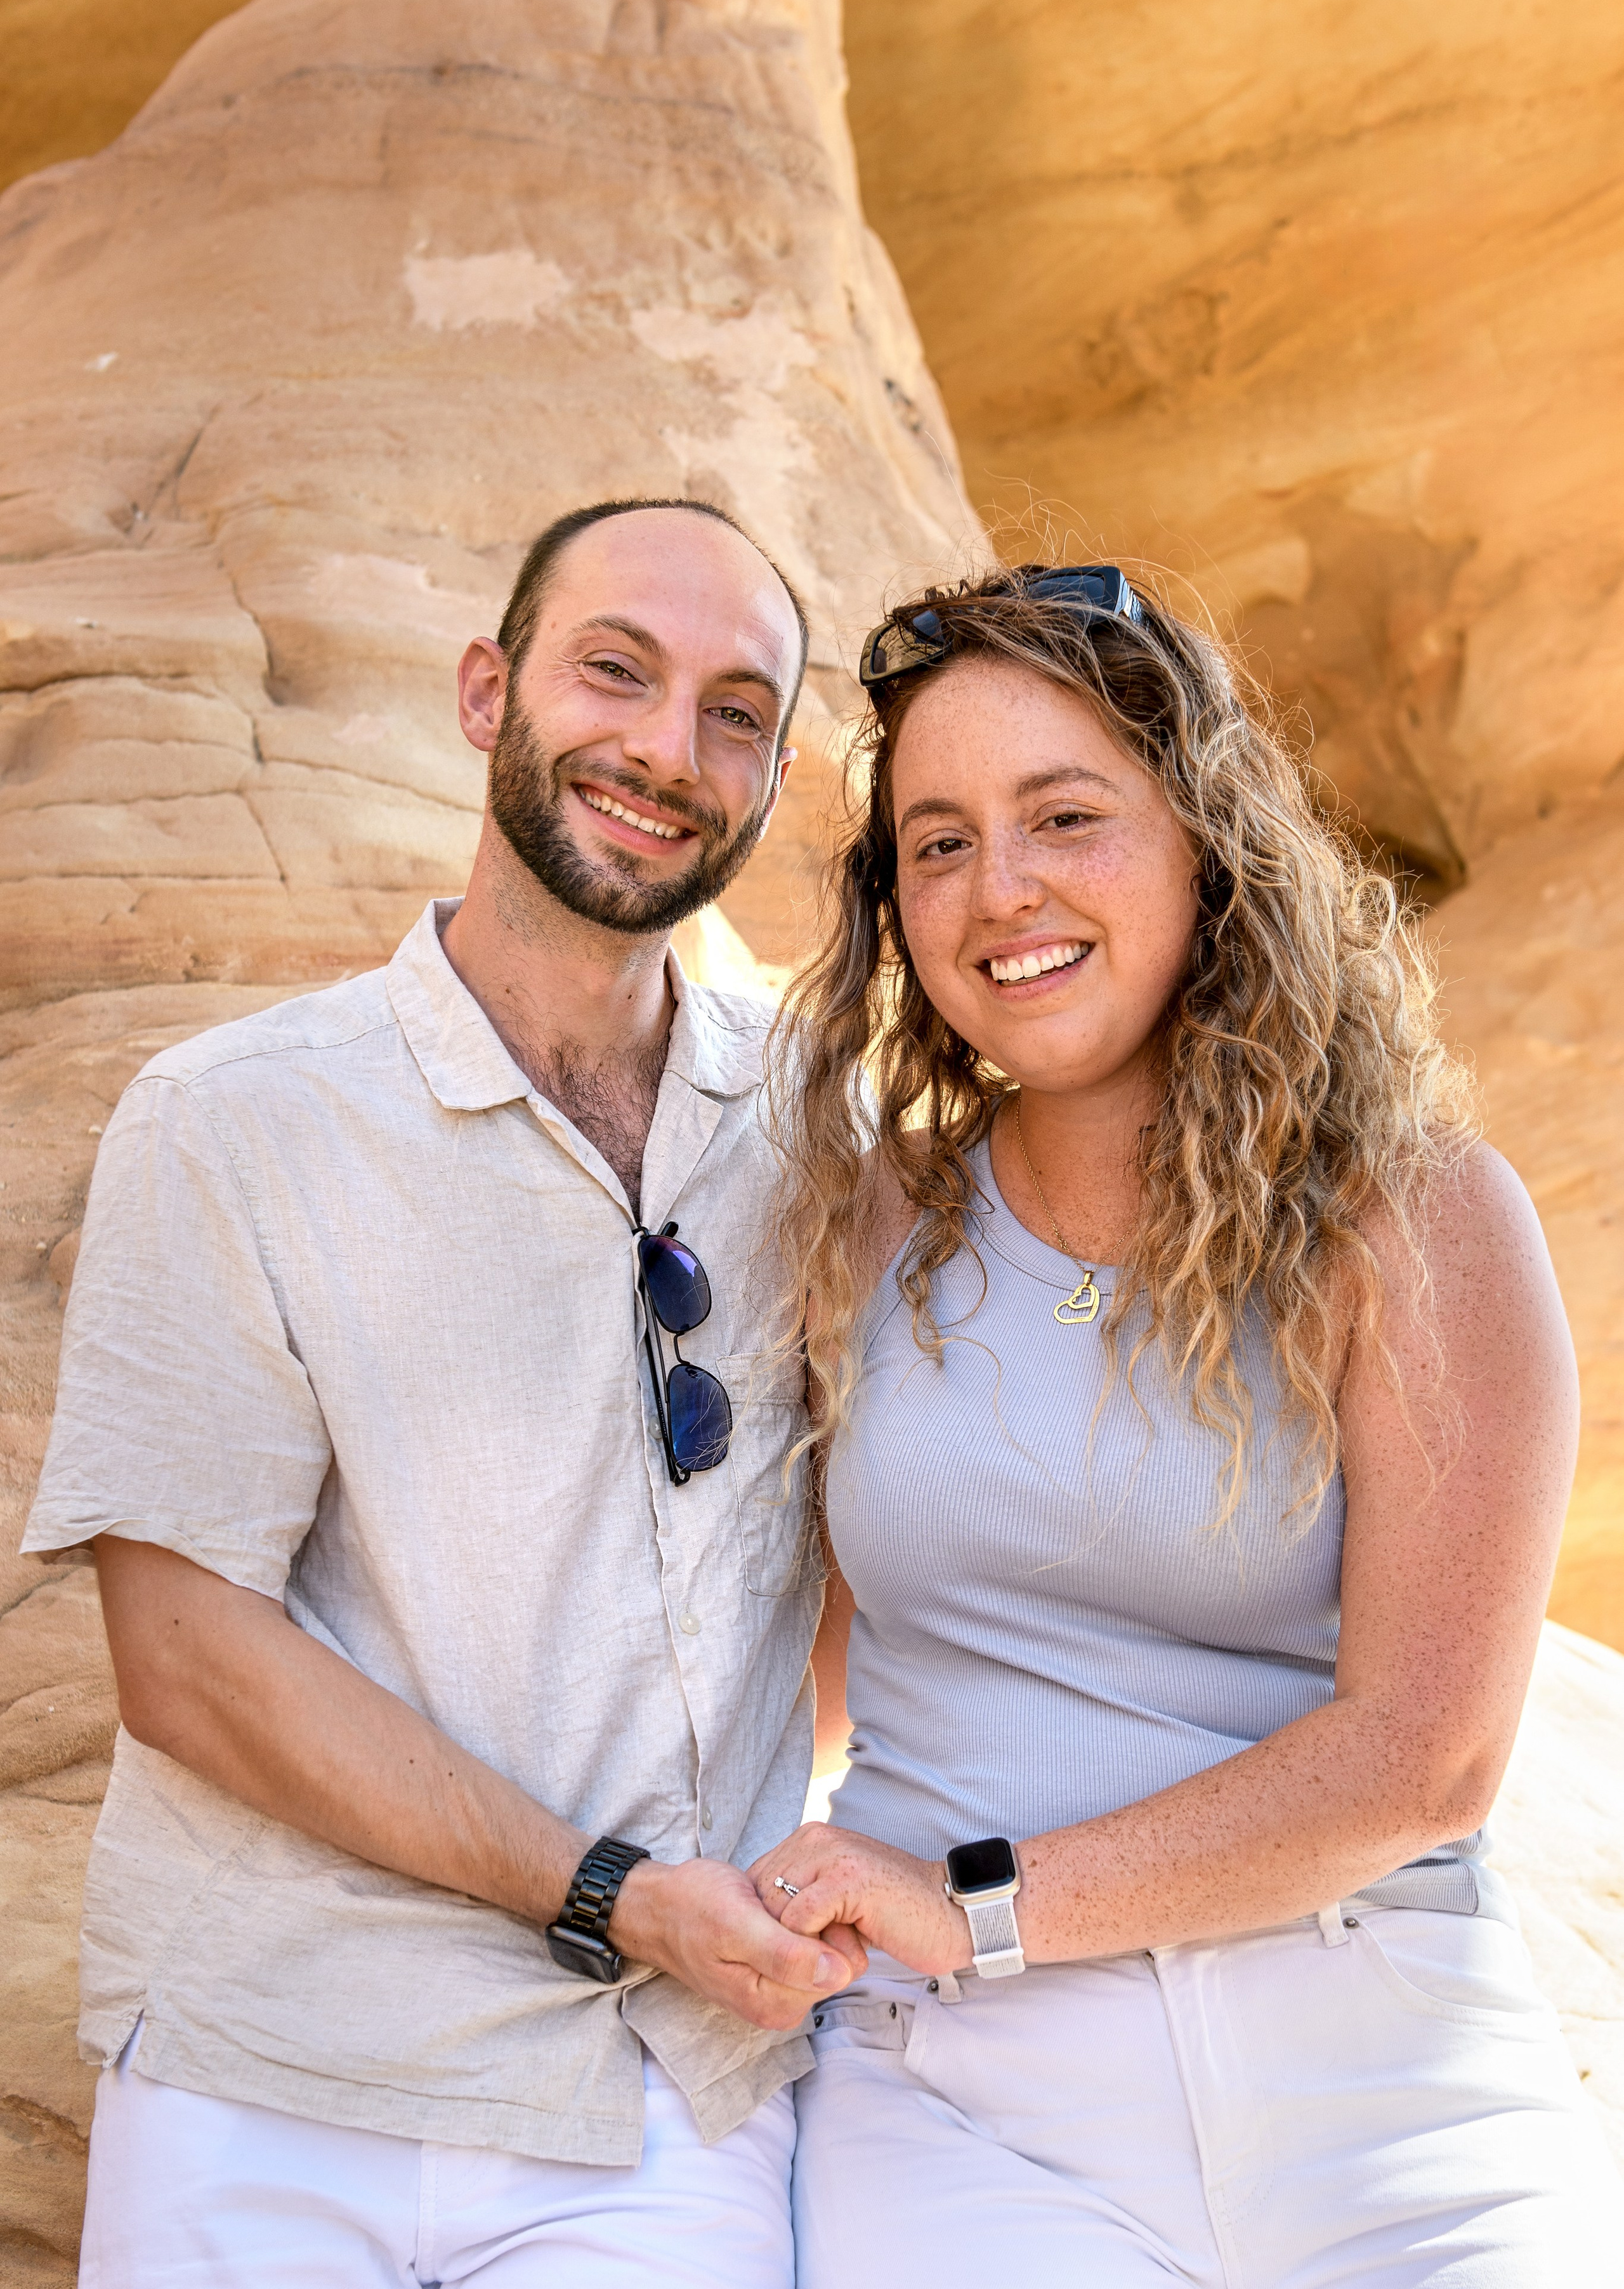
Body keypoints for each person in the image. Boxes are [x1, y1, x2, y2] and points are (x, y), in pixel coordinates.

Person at [22, 497, 867, 2288]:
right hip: (273, 2073)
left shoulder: (824, 1132)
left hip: (659, 2100)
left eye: (735, 711)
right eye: (614, 673)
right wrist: (608, 1892)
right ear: (488, 692)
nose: (666, 749)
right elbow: (182, 1662)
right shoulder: (234, 1120)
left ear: (778, 780)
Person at [751, 563, 1623, 2283]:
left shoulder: (1418, 1218)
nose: (1000, 891)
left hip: (1386, 2073)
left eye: (1064, 816)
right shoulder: (860, 1224)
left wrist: (980, 1907)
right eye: (936, 842)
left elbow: (1427, 1757)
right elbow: (783, 1655)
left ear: (1204, 837)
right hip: (966, 2102)